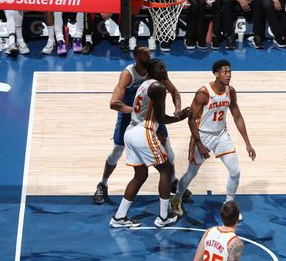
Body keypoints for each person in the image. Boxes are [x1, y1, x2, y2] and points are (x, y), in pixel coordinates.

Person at [94, 47, 181, 205]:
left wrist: (177, 110)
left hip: (151, 116)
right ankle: (103, 184)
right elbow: (114, 103)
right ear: (136, 57)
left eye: (149, 52)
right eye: (144, 53)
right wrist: (135, 111)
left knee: (169, 150)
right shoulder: (128, 74)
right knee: (116, 151)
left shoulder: (154, 70)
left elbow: (174, 91)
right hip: (129, 116)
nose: (149, 54)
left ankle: (174, 182)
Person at [172, 59, 256, 221]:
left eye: (230, 72)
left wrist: (247, 143)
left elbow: (237, 116)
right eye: (225, 72)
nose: (228, 75)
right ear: (216, 74)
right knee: (192, 172)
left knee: (235, 172)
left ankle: (229, 205)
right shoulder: (203, 93)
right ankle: (176, 198)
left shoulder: (230, 92)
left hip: (221, 135)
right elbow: (191, 120)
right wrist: (199, 144)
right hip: (202, 135)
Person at [110, 58, 190, 228]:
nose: (166, 70)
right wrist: (181, 116)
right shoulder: (158, 87)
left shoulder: (144, 85)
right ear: (153, 72)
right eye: (162, 68)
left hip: (131, 132)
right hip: (143, 131)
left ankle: (119, 217)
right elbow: (161, 119)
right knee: (166, 170)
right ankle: (163, 217)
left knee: (140, 175)